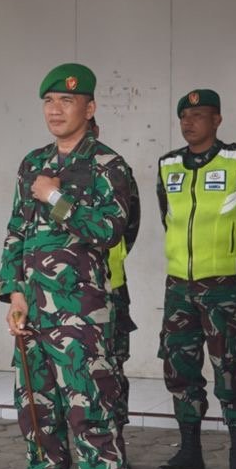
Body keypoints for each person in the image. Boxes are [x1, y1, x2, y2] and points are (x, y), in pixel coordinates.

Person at [0, 63, 136, 469]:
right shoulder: (32, 163)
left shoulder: (107, 165)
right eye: (49, 100)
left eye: (67, 101)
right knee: (37, 415)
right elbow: (15, 232)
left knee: (91, 414)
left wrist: (55, 198)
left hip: (82, 317)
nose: (56, 110)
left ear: (89, 107)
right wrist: (13, 293)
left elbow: (111, 229)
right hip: (32, 314)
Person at [154, 88, 236, 469]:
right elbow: (167, 216)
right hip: (178, 287)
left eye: (199, 116)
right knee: (179, 368)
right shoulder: (168, 164)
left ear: (217, 120)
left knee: (229, 368)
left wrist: (235, 262)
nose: (189, 123)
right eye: (184, 117)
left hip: (221, 287)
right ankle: (190, 450)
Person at [90, 115, 142, 450]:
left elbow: (129, 224)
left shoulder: (114, 170)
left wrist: (114, 256)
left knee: (112, 367)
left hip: (111, 287)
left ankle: (115, 440)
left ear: (95, 129)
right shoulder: (50, 170)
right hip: (67, 291)